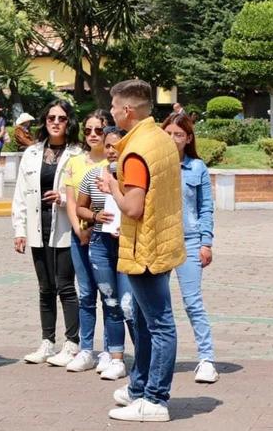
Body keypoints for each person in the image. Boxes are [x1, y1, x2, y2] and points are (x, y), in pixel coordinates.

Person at [100, 79, 185, 422]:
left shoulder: (135, 151)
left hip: (145, 248)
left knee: (159, 324)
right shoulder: (160, 139)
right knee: (145, 319)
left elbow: (133, 207)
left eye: (115, 107)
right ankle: (139, 387)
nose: (112, 112)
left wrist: (111, 186)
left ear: (128, 111)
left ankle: (155, 398)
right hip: (162, 242)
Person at [11, 99, 81, 365]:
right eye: (51, 117)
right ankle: (47, 342)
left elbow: (83, 191)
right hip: (38, 228)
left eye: (61, 118)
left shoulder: (77, 153)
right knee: (45, 287)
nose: (55, 122)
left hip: (65, 227)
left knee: (65, 286)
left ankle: (72, 343)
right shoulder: (32, 153)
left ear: (69, 122)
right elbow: (20, 193)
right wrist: (19, 229)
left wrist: (63, 197)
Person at [162, 112, 219, 384]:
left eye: (178, 134)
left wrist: (206, 242)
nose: (173, 139)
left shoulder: (197, 168)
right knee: (156, 305)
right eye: (168, 133)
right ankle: (160, 359)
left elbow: (206, 207)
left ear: (188, 139)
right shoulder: (155, 165)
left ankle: (206, 358)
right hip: (159, 242)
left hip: (189, 241)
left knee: (192, 302)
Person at [76, 126, 135, 380]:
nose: (112, 151)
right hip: (100, 243)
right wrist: (95, 216)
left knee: (128, 305)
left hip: (127, 244)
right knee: (110, 302)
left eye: (117, 146)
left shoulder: (133, 176)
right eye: (109, 146)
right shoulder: (92, 176)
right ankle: (116, 358)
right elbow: (80, 208)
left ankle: (144, 357)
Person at [62, 111, 110, 373]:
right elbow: (71, 201)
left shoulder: (113, 163)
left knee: (109, 295)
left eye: (98, 130)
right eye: (88, 130)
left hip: (105, 237)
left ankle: (110, 351)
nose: (93, 135)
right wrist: (79, 230)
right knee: (86, 294)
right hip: (79, 235)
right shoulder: (76, 162)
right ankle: (86, 348)